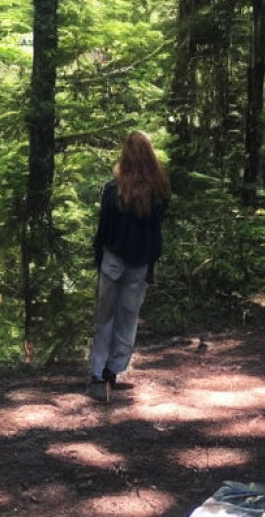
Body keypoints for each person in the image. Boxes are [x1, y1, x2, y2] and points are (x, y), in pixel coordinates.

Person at [88, 130, 171, 402]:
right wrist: (151, 266)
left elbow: (103, 230)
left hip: (113, 260)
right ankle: (113, 369)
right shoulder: (158, 193)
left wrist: (99, 257)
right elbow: (155, 234)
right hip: (139, 264)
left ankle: (98, 374)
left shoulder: (113, 189)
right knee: (127, 318)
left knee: (105, 318)